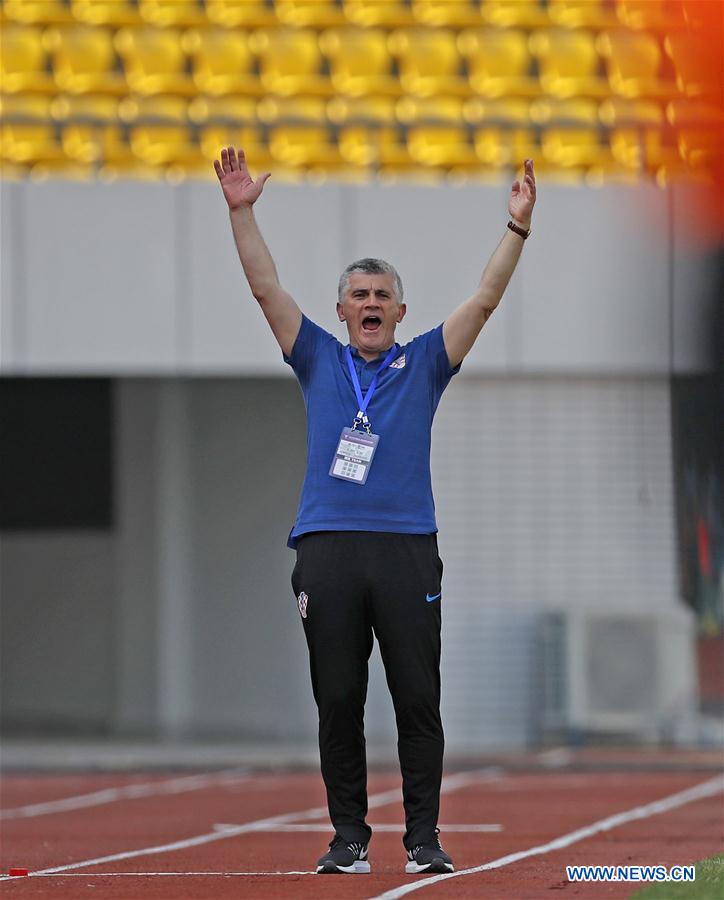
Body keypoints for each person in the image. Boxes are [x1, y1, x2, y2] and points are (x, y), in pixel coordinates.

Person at [214, 147, 536, 875]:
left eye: (380, 296)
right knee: (339, 701)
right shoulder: (318, 358)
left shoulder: (423, 361)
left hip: (405, 549)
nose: (368, 304)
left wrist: (515, 228)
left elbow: (483, 302)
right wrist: (242, 213)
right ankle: (349, 839)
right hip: (327, 548)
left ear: (398, 310)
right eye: (357, 295)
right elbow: (266, 291)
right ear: (340, 310)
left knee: (418, 698)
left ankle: (423, 838)